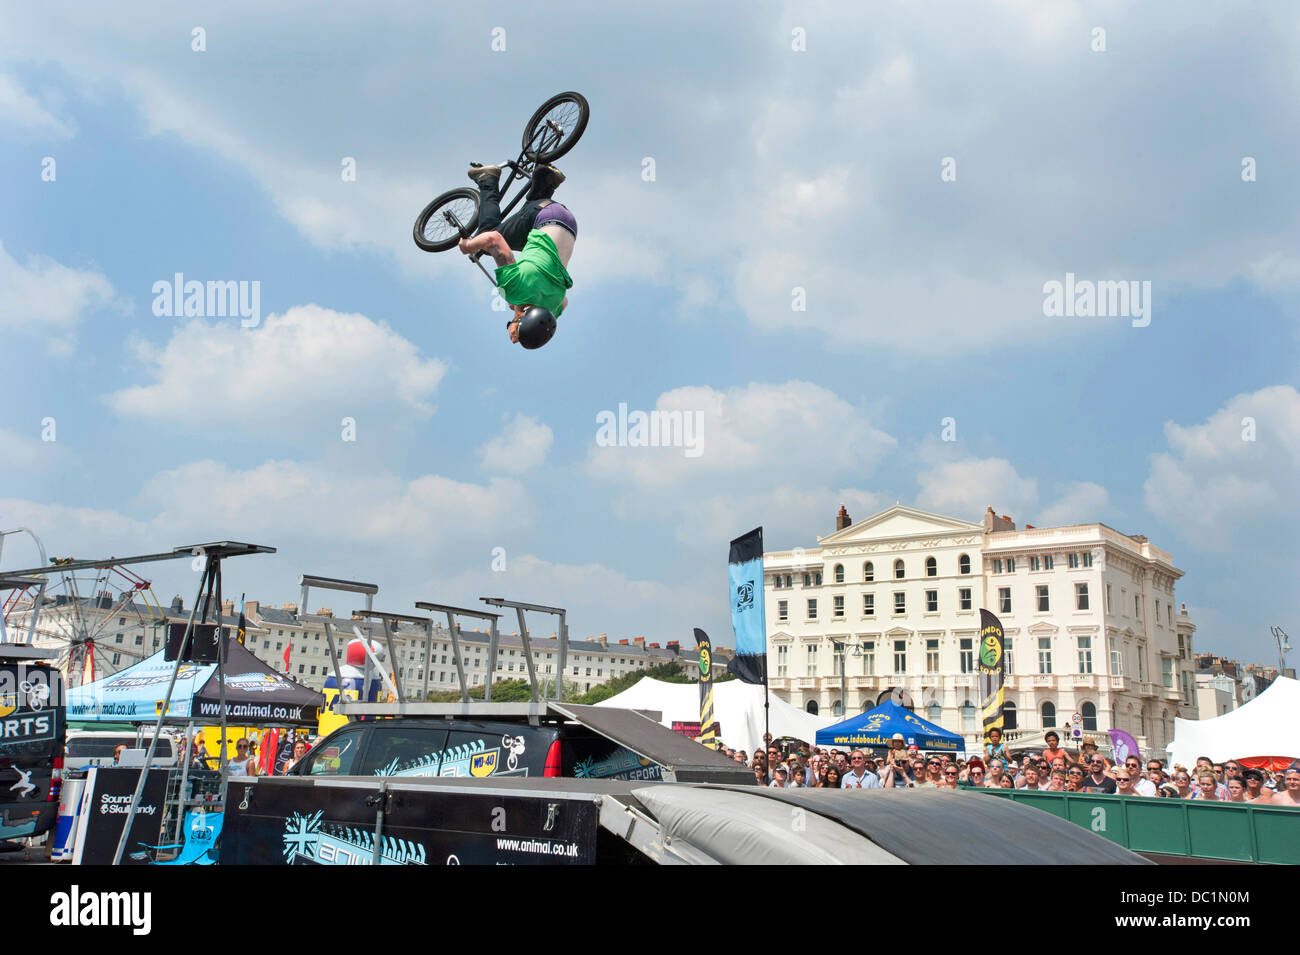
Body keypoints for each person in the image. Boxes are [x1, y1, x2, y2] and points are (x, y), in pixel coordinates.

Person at [460, 162, 574, 348]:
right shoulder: (514, 291)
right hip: (544, 217)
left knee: (527, 241)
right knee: (486, 235)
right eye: (512, 324)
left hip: (567, 221)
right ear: (522, 319)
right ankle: (487, 178)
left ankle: (545, 182)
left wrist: (527, 303)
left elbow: (565, 301)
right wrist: (469, 246)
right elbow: (493, 239)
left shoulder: (552, 307)